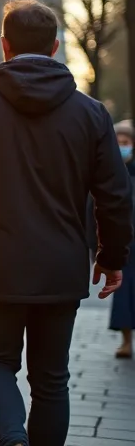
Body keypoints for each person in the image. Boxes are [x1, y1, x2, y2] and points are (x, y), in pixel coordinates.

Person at [0, 0, 132, 446]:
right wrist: (112, 256)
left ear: (5, 45)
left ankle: (11, 440)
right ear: (55, 46)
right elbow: (115, 196)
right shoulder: (91, 114)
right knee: (51, 377)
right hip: (61, 265)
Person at [109, 120, 135, 359]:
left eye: (125, 142)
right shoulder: (107, 172)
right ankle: (126, 341)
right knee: (124, 292)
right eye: (117, 142)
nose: (122, 147)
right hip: (123, 245)